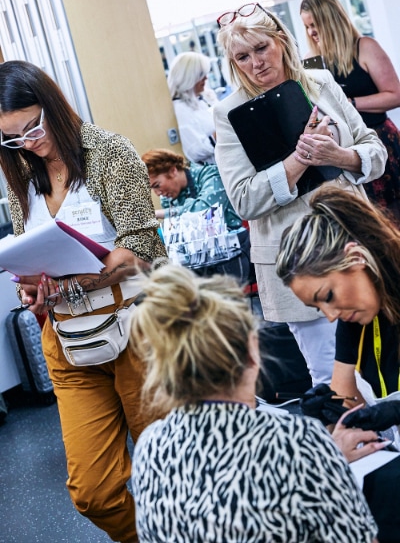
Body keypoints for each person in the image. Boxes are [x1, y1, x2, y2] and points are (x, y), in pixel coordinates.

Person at [0, 60, 167, 543]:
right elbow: (29, 255)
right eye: (12, 138)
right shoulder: (21, 174)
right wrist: (32, 289)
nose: (28, 142)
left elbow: (142, 249)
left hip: (134, 327)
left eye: (33, 127)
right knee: (94, 493)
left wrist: (75, 279)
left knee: (166, 469)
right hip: (67, 341)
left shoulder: (109, 152)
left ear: (53, 105)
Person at [129, 263, 378, 542]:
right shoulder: (298, 441)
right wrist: (324, 460)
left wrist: (323, 459)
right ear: (252, 352)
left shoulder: (150, 447)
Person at [213, 2, 387, 386]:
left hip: (356, 242)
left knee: (388, 362)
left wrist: (340, 156)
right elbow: (243, 199)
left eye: (262, 48)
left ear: (281, 40)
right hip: (299, 266)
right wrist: (299, 159)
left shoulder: (320, 82)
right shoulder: (230, 112)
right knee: (335, 383)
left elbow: (375, 151)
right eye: (242, 57)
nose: (256, 63)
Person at [276, 186, 400, 409]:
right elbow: (346, 401)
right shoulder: (353, 320)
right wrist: (328, 412)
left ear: (356, 257)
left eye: (328, 296)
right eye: (318, 307)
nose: (331, 316)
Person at [300, 0, 400, 222]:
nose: (312, 32)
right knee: (368, 222)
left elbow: (395, 94)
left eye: (315, 24)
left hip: (380, 142)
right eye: (307, 26)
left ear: (331, 20)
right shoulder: (310, 62)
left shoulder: (364, 47)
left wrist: (349, 103)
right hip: (345, 152)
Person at [142, 147, 250, 282]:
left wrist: (163, 214)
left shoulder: (211, 175)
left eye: (157, 185)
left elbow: (205, 212)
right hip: (197, 258)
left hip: (231, 253)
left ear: (173, 170)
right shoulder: (168, 198)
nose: (158, 193)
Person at [167, 51, 217, 164]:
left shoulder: (203, 99)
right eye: (201, 75)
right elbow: (194, 152)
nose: (206, 78)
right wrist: (219, 134)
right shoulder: (180, 109)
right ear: (188, 78)